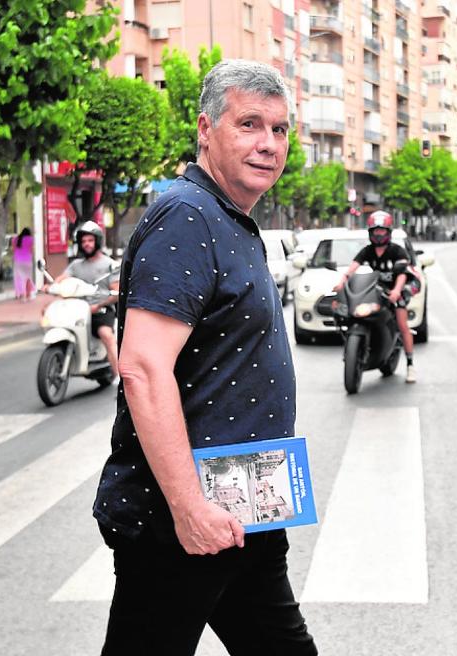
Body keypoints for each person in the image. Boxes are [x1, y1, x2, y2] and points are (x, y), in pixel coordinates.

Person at [93, 60, 317, 656]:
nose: (269, 144)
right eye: (249, 124)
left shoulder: (231, 220)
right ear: (205, 130)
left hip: (243, 509)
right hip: (180, 526)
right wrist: (189, 507)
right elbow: (142, 365)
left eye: (280, 129)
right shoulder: (188, 216)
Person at [333, 210, 418, 384]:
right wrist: (342, 281)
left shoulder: (397, 251)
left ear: (388, 232)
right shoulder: (368, 251)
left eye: (382, 231)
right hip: (377, 290)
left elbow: (402, 273)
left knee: (403, 324)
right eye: (375, 231)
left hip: (396, 290)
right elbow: (353, 268)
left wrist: (396, 291)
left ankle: (410, 365)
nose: (378, 235)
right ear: (370, 232)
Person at [48, 221, 119, 377]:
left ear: (97, 241)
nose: (86, 244)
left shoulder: (109, 265)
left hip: (100, 309)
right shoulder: (76, 265)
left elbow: (116, 290)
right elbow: (62, 278)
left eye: (90, 240)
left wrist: (99, 304)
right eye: (84, 241)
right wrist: (51, 286)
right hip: (77, 310)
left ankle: (119, 378)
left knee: (106, 334)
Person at [12, 227, 35, 299]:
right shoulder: (31, 239)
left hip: (18, 261)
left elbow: (14, 250)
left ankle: (20, 293)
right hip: (27, 261)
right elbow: (31, 250)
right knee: (28, 277)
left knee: (19, 278)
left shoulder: (15, 239)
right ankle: (28, 293)